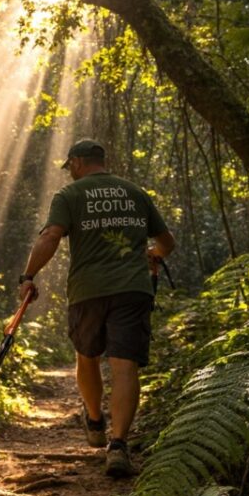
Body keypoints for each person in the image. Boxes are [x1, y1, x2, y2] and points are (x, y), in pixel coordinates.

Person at [18, 139, 175, 477]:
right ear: (102, 161)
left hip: (88, 291)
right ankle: (118, 445)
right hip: (133, 289)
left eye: (69, 166)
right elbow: (167, 243)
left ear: (76, 162)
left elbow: (50, 238)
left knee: (86, 357)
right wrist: (153, 257)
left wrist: (28, 275)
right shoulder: (136, 193)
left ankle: (94, 419)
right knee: (124, 365)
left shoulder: (69, 197)